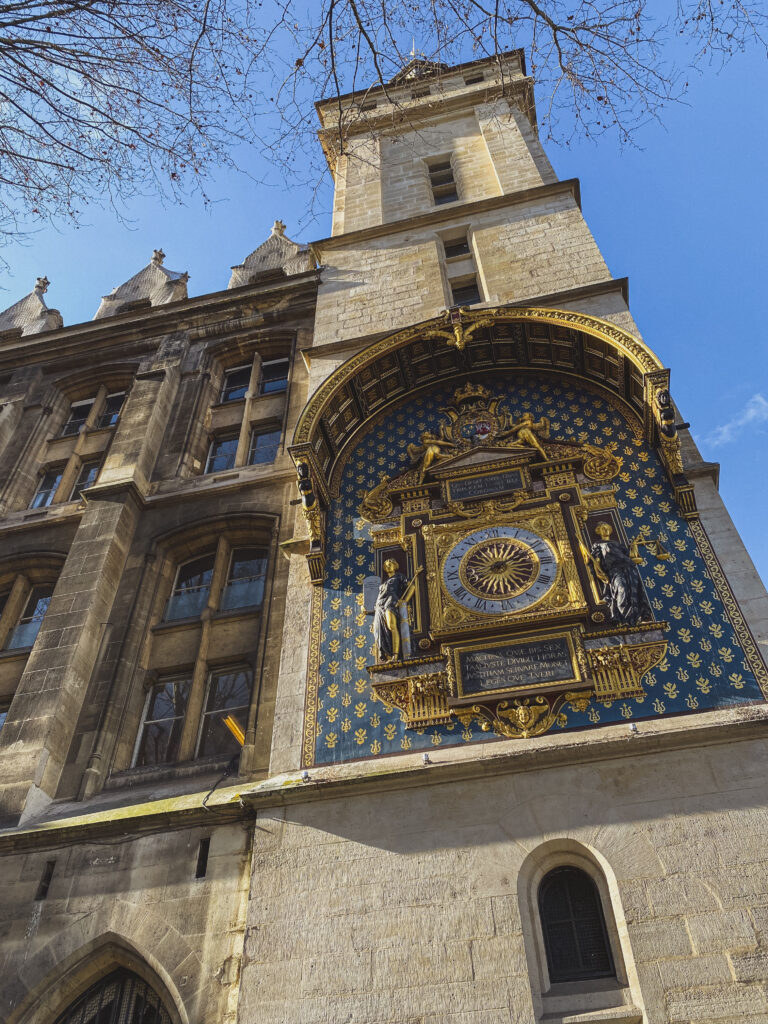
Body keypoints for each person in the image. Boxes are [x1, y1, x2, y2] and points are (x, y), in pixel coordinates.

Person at [589, 522, 652, 626]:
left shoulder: (618, 544)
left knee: (634, 592)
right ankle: (625, 619)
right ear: (598, 531)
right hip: (615, 571)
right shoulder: (598, 545)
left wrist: (635, 545)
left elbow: (631, 556)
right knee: (621, 590)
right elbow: (597, 560)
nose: (606, 530)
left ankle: (636, 619)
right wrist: (598, 572)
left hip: (629, 568)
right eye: (603, 528)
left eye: (607, 527)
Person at [373, 559, 409, 661]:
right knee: (377, 629)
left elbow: (412, 587)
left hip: (391, 603)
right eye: (386, 565)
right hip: (380, 606)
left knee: (391, 626)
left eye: (390, 565)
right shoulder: (384, 583)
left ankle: (395, 655)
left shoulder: (399, 577)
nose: (388, 567)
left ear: (395, 565)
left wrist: (404, 600)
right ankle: (387, 652)